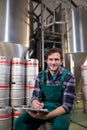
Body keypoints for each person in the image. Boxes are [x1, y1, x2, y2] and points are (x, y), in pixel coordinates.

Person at [14, 48, 76, 130]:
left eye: (56, 60)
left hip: (61, 111)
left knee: (59, 127)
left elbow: (67, 105)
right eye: (50, 59)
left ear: (61, 61)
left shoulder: (68, 77)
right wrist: (35, 103)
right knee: (20, 121)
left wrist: (48, 116)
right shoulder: (40, 75)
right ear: (46, 61)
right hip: (44, 109)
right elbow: (35, 96)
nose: (53, 63)